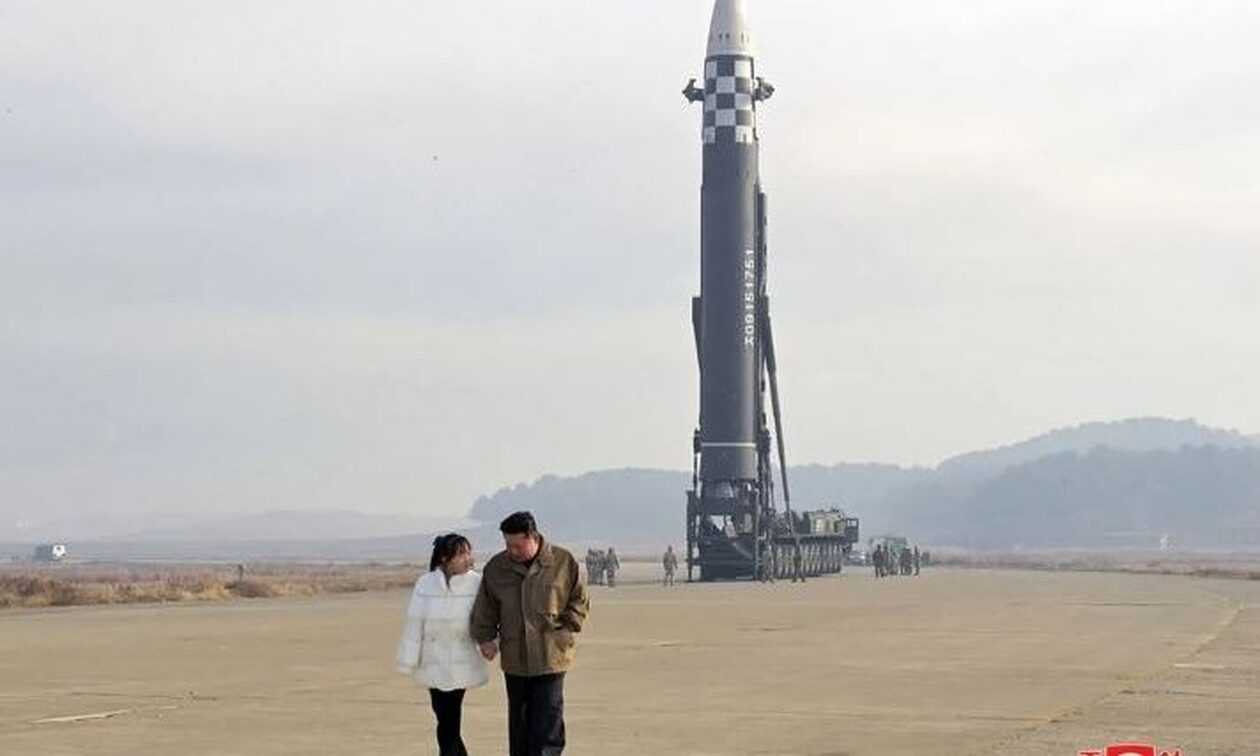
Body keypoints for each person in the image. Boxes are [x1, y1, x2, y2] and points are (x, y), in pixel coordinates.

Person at [471, 512, 590, 756]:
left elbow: (579, 599)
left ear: (533, 537)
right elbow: (486, 607)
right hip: (515, 658)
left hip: (551, 657)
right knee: (520, 724)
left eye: (517, 545)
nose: (511, 551)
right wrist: (485, 638)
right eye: (507, 545)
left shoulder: (562, 562)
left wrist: (568, 626)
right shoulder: (497, 568)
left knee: (548, 722)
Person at [396, 533, 489, 756]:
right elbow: (415, 623)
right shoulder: (425, 583)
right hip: (433, 661)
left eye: (469, 553)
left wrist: (489, 642)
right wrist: (409, 659)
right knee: (443, 716)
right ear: (445, 558)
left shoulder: (476, 583)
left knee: (449, 719)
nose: (468, 559)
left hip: (461, 661)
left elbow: (485, 619)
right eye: (461, 554)